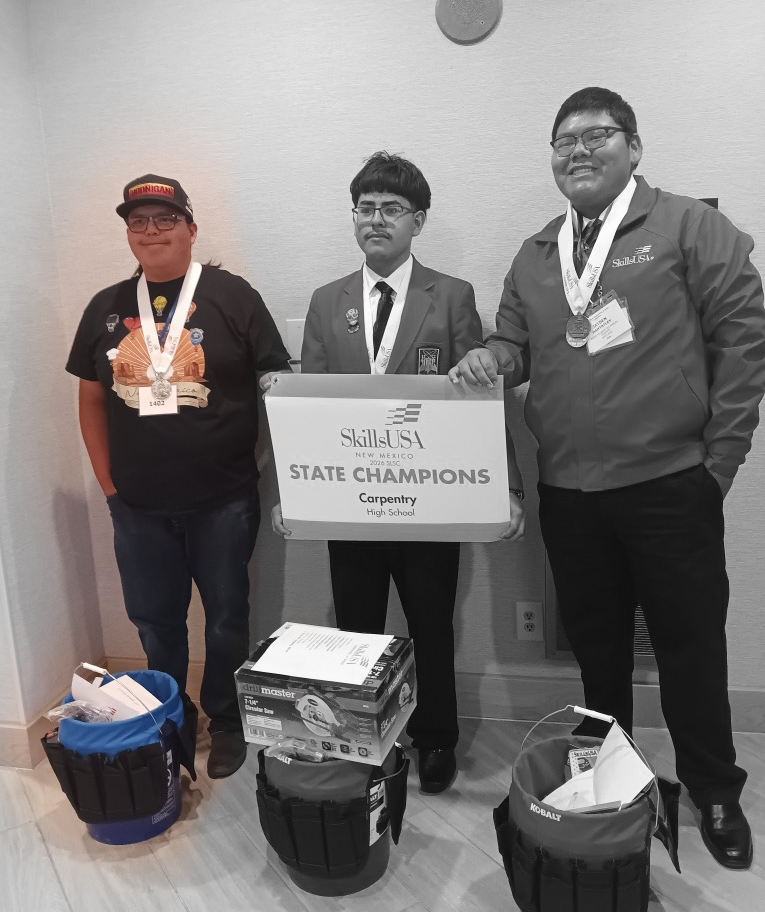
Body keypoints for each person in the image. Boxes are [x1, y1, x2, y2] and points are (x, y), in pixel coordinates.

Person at [451, 87, 765, 868]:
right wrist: (491, 357)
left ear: (633, 146)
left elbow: (743, 339)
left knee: (689, 643)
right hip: (569, 492)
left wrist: (717, 465)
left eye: (596, 135)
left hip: (670, 485)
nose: (578, 151)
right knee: (594, 649)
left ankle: (713, 789)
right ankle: (605, 772)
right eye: (563, 141)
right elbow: (515, 344)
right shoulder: (535, 254)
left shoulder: (691, 226)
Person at [271, 152, 525, 793]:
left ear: (418, 221)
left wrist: (507, 487)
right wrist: (292, 492)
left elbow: (480, 396)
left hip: (430, 505)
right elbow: (311, 413)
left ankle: (436, 738)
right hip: (350, 504)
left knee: (432, 624)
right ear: (353, 218)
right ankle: (365, 738)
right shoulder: (328, 303)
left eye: (391, 210)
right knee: (356, 629)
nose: (376, 220)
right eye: (365, 208)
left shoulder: (453, 295)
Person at [67, 174, 291, 778]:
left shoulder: (233, 296)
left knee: (225, 617)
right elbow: (90, 401)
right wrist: (110, 486)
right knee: (156, 622)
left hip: (224, 499)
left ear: (191, 229)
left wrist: (264, 468)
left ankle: (226, 719)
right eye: (138, 221)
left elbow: (279, 386)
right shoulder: (106, 307)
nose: (150, 231)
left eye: (164, 219)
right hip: (137, 504)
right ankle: (173, 720)